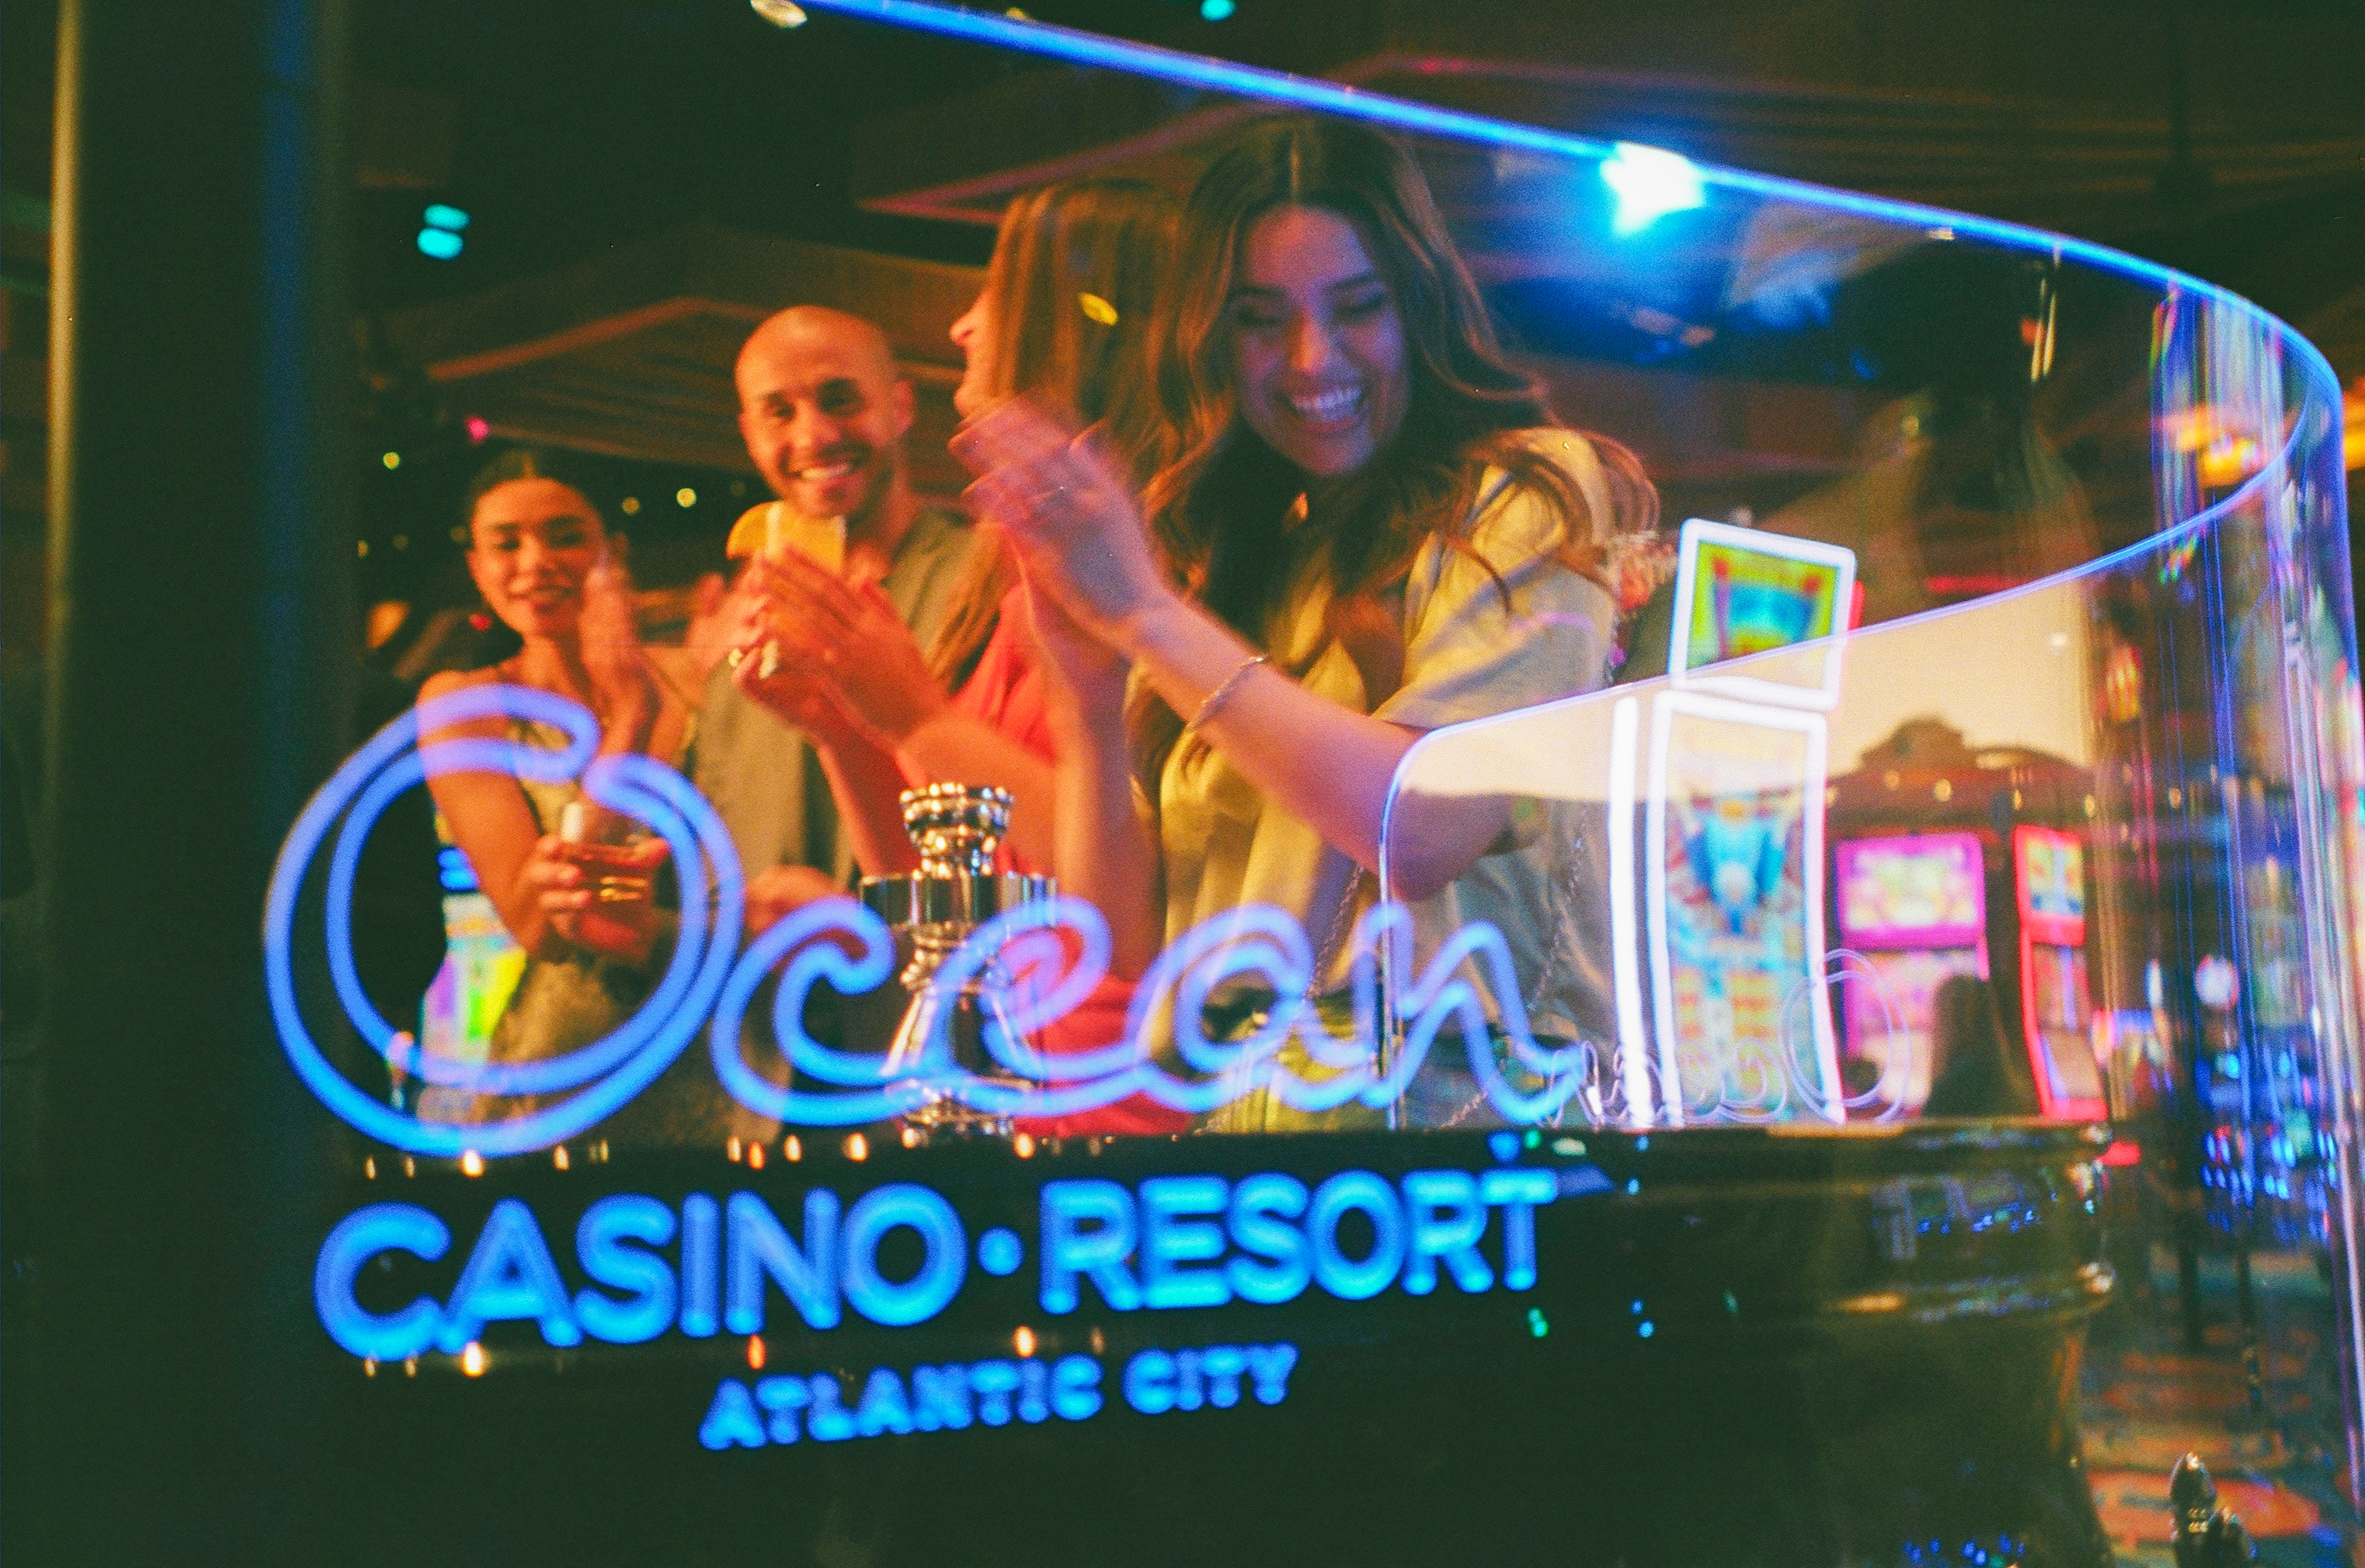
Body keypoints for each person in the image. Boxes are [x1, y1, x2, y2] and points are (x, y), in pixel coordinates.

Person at [955, 116, 1659, 1130]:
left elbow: (1422, 824)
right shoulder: (1239, 547)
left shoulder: (1521, 493)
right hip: (1244, 1155)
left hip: (1450, 1140)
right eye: (1259, 319)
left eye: (1358, 307)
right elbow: (1123, 945)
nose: (1310, 358)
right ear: (1207, 334)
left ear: (1419, 305)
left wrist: (1150, 615)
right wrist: (1087, 701)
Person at [731, 179, 1187, 1135]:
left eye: (991, 292)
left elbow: (1129, 884)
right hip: (1019, 1079)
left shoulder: (1139, 555)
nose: (959, 325)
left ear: (1059, 325)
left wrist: (918, 721)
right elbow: (947, 909)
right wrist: (839, 728)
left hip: (1117, 1093)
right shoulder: (1009, 559)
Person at [416, 449, 752, 1145]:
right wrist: (628, 719)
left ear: (612, 553)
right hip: (564, 1076)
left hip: (717, 1044)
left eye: (565, 536)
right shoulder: (467, 706)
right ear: (478, 571)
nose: (535, 561)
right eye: (506, 544)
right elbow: (538, 925)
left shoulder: (693, 677)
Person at [691, 306, 982, 936]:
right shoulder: (736, 641)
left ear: (901, 407)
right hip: (767, 1023)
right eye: (780, 413)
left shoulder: (980, 585)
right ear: (749, 433)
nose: (813, 436)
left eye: (840, 400)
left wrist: (860, 925)